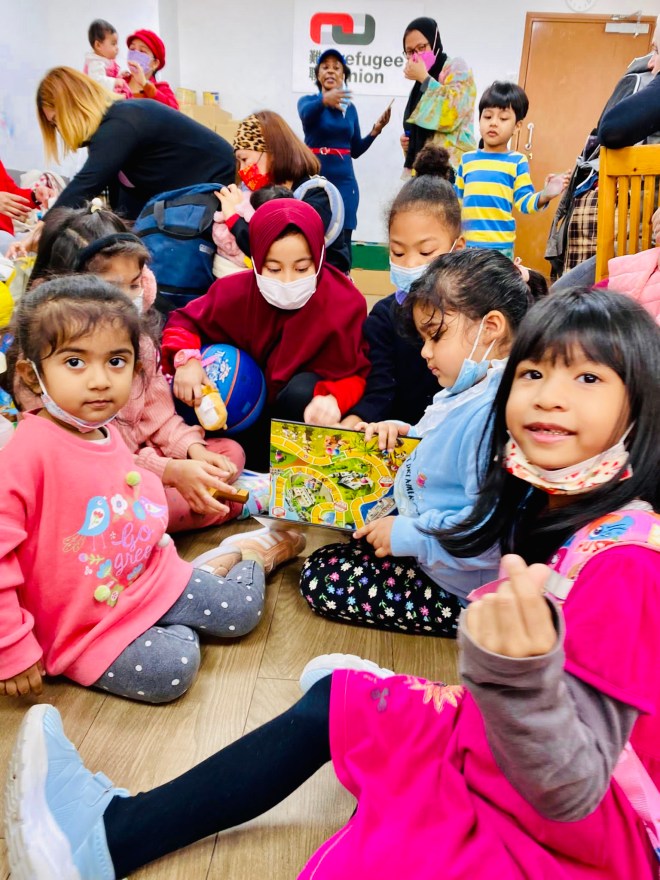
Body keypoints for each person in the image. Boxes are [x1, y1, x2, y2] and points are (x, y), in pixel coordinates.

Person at [7, 287, 659, 880]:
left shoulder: (624, 562)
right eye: (534, 373)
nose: (549, 396)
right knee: (336, 703)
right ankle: (111, 834)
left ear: (639, 401)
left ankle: (105, 838)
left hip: (587, 824)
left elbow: (570, 791)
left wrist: (514, 674)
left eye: (588, 378)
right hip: (517, 744)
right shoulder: (547, 497)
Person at [0, 276, 272, 704]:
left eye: (116, 361)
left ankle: (252, 553)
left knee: (242, 611)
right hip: (83, 628)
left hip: (150, 577)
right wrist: (11, 649)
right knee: (171, 672)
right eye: (75, 362)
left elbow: (126, 495)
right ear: (32, 377)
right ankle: (200, 583)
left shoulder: (103, 430)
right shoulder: (24, 456)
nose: (100, 381)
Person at [301, 248, 545, 636]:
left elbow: (486, 535)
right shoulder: (470, 387)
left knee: (321, 575)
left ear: (491, 327)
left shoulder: (495, 414)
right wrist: (403, 432)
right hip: (433, 547)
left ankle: (483, 620)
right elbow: (440, 442)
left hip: (465, 588)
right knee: (348, 534)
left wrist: (408, 535)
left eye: (436, 335)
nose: (425, 351)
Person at [21, 202, 247, 534]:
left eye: (134, 284)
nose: (127, 299)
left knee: (229, 453)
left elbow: (159, 416)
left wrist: (193, 450)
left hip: (144, 462)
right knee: (135, 501)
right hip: (96, 482)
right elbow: (91, 459)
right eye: (110, 288)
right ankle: (198, 508)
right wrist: (168, 471)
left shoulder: (138, 341)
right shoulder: (47, 365)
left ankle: (189, 503)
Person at [162, 199, 370, 470]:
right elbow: (183, 321)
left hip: (298, 420)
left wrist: (333, 398)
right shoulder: (234, 292)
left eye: (302, 268)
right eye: (273, 269)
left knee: (301, 391)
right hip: (237, 414)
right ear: (257, 259)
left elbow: (358, 373)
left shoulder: (344, 303)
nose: (287, 280)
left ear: (319, 258)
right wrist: (187, 361)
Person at [8, 67, 234, 257]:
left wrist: (41, 230)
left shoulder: (121, 123)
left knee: (180, 262)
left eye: (57, 120)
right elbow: (123, 211)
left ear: (72, 108)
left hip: (213, 178)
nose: (59, 130)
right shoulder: (112, 134)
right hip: (187, 188)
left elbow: (85, 185)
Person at [342, 144, 463, 428]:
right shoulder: (384, 317)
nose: (410, 263)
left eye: (425, 252)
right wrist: (353, 424)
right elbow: (379, 392)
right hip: (398, 437)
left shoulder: (473, 316)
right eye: (398, 252)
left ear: (457, 249)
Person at [217, 110, 351, 273]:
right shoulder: (256, 195)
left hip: (321, 287)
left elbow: (278, 253)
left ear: (274, 154)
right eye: (239, 162)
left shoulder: (316, 195)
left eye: (245, 159)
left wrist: (233, 218)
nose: (242, 170)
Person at [455, 82, 568, 259]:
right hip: (466, 245)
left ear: (517, 126)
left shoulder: (517, 162)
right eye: (487, 116)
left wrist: (545, 195)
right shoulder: (467, 160)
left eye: (503, 119)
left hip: (500, 248)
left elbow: (524, 202)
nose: (493, 123)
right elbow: (456, 202)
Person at [297, 48, 391, 259]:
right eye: (325, 67)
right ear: (318, 75)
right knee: (310, 237)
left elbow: (355, 150)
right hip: (314, 181)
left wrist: (375, 131)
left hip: (345, 185)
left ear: (343, 75)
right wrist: (324, 100)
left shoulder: (350, 109)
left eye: (336, 68)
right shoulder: (308, 102)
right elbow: (305, 115)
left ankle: (342, 277)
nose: (330, 71)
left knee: (343, 245)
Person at [401, 16, 477, 174]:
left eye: (421, 47)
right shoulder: (418, 86)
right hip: (425, 171)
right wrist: (409, 145)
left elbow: (453, 112)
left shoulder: (456, 67)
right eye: (410, 51)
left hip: (452, 169)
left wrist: (424, 78)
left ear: (434, 42)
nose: (416, 55)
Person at [123, 28, 179, 109]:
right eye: (132, 49)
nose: (135, 54)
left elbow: (174, 111)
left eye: (142, 51)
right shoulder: (120, 82)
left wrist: (145, 84)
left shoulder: (161, 89)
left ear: (155, 63)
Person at [83, 19, 132, 98]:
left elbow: (107, 78)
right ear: (98, 45)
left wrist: (119, 76)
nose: (117, 48)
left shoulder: (105, 61)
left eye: (116, 44)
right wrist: (115, 81)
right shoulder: (95, 63)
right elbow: (97, 81)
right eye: (113, 44)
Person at [0, 159, 38, 255]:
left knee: (47, 242)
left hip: (8, 234)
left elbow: (13, 193)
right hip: (5, 237)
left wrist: (35, 196)